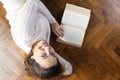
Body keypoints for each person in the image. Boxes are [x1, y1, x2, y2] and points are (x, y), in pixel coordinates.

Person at [0, 0, 72, 79]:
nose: (47, 48)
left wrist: (53, 22)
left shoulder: (25, 35)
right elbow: (68, 69)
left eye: (44, 55)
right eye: (52, 54)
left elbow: (33, 2)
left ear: (33, 58)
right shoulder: (41, 47)